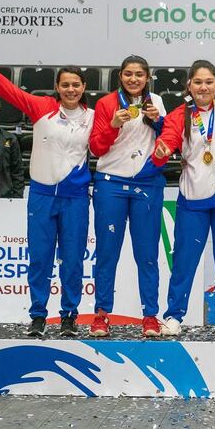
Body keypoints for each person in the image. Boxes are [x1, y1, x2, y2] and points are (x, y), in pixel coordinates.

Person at [0, 39, 91, 338]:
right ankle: (38, 316)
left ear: (84, 87)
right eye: (65, 84)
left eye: (76, 84)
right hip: (42, 195)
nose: (71, 89)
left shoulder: (93, 116)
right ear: (57, 87)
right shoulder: (41, 108)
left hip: (74, 197)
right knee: (40, 257)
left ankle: (70, 316)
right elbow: (10, 91)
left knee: (73, 259)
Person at [152, 60, 215, 339]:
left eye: (209, 82)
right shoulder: (179, 115)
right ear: (188, 85)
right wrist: (162, 150)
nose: (203, 87)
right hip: (193, 197)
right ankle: (174, 316)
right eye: (198, 82)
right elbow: (164, 144)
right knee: (184, 260)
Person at [88, 55, 166, 338]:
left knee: (147, 255)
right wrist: (112, 125)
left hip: (147, 185)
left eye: (140, 75)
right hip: (111, 183)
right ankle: (101, 315)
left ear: (147, 78)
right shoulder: (106, 103)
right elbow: (96, 148)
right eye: (129, 74)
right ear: (120, 76)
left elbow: (168, 139)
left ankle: (150, 316)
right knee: (108, 253)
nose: (134, 79)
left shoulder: (155, 102)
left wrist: (157, 122)